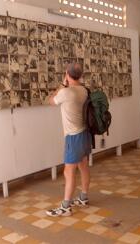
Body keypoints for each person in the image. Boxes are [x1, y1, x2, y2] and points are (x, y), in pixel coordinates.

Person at [46, 63, 92, 217]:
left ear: (67, 74)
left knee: (69, 171)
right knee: (84, 166)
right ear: (80, 75)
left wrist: (61, 84)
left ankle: (66, 206)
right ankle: (83, 197)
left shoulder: (66, 92)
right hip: (85, 133)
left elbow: (50, 100)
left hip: (73, 137)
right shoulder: (84, 90)